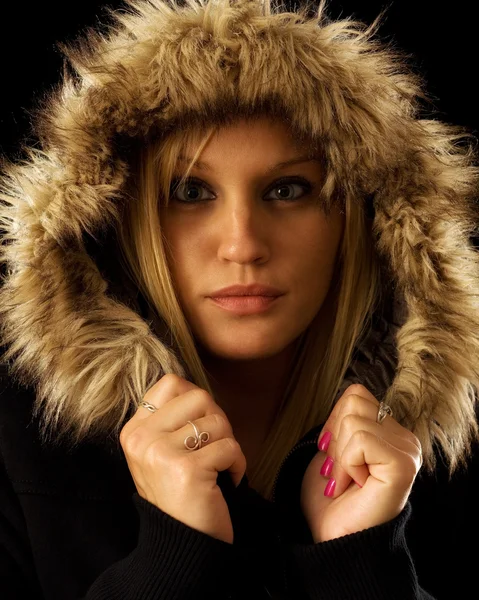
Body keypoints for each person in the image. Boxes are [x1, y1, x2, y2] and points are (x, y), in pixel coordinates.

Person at [0, 0, 478, 598]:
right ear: (121, 217)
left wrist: (364, 565)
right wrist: (173, 557)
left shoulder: (451, 453)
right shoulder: (17, 443)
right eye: (190, 191)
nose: (243, 245)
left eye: (288, 189)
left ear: (361, 220)